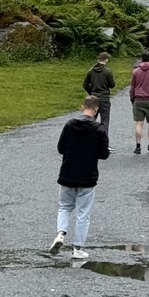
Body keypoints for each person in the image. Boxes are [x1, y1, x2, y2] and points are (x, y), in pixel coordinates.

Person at [49, 95, 110, 261]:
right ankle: (77, 248)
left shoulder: (70, 125)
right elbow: (104, 154)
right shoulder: (99, 129)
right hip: (87, 176)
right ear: (96, 109)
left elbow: (61, 148)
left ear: (83, 106)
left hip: (67, 173)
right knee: (83, 213)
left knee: (64, 207)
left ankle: (60, 234)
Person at [129, 50, 149, 155]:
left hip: (138, 99)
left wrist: (133, 99)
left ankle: (138, 146)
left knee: (139, 123)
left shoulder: (136, 71)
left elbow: (132, 87)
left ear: (141, 58)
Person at [82, 52, 116, 134]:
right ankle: (104, 142)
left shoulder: (91, 71)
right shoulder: (108, 71)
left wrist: (91, 92)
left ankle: (89, 140)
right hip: (104, 99)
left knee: (91, 119)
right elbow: (112, 85)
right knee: (104, 121)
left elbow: (85, 84)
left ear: (98, 60)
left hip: (94, 99)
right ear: (106, 60)